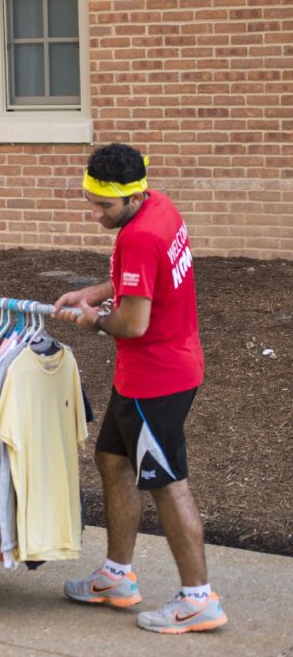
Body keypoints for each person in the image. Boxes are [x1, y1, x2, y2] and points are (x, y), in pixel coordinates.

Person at [52, 143, 227, 634]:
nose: (95, 213)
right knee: (113, 459)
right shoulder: (160, 206)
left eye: (103, 206)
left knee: (168, 485)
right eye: (90, 200)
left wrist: (93, 321)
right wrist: (94, 291)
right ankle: (116, 576)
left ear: (130, 198)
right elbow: (138, 283)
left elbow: (132, 322)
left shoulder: (141, 237)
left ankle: (199, 600)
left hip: (158, 379)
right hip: (152, 372)